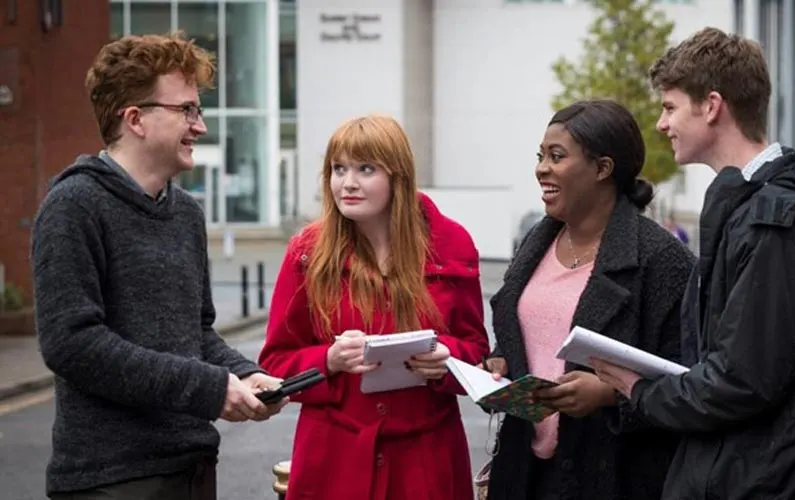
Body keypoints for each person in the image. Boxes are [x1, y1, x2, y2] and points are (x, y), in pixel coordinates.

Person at [591, 27, 795, 500]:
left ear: (712, 105)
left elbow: (742, 380)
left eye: (670, 106)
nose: (662, 123)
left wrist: (639, 391)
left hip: (773, 482)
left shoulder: (771, 221)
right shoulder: (758, 206)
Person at [31, 33, 287, 500]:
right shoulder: (73, 205)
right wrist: (208, 388)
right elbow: (72, 344)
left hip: (193, 470)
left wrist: (246, 373)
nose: (200, 127)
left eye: (198, 110)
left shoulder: (186, 213)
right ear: (135, 119)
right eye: (186, 110)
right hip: (113, 481)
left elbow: (198, 334)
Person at [257, 114, 490, 500]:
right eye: (338, 168)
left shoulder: (451, 244)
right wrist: (329, 359)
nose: (347, 183)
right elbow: (275, 363)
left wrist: (446, 361)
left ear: (398, 176)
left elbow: (476, 351)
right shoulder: (307, 253)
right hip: (335, 461)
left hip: (426, 462)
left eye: (366, 169)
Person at [480, 100, 695, 500]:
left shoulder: (663, 260)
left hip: (613, 476)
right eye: (541, 156)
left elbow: (690, 381)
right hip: (523, 473)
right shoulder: (535, 243)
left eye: (557, 156)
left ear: (602, 168)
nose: (541, 168)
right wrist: (499, 363)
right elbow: (529, 336)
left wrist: (610, 395)